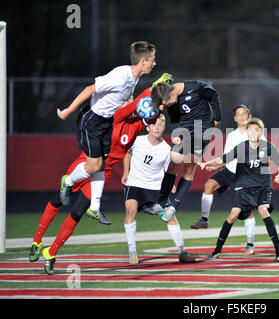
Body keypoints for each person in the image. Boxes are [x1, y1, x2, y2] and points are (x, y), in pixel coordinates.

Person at [28, 74, 174, 274]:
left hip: (101, 175)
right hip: (86, 163)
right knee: (60, 199)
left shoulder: (137, 125)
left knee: (77, 213)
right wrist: (152, 88)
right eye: (127, 99)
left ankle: (51, 253)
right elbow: (136, 105)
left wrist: (160, 97)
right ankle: (37, 240)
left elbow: (151, 115)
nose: (130, 101)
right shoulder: (117, 116)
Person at [57, 41, 157, 224]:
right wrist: (68, 111)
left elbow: (119, 98)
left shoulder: (134, 78)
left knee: (102, 164)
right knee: (94, 166)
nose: (154, 63)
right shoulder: (121, 76)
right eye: (152, 59)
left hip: (107, 122)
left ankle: (94, 207)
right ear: (143, 61)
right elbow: (90, 89)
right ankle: (68, 181)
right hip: (93, 121)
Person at [198, 118, 279, 262]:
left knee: (263, 211)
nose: (252, 132)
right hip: (244, 188)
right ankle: (216, 251)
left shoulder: (268, 147)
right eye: (250, 129)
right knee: (233, 216)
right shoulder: (241, 147)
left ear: (261, 132)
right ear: (247, 132)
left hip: (263, 187)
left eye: (256, 130)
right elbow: (222, 160)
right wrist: (208, 163)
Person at [121, 115, 195, 264]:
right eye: (153, 124)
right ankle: (132, 251)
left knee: (170, 216)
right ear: (147, 127)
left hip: (155, 188)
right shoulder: (137, 140)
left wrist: (170, 184)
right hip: (135, 184)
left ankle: (181, 251)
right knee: (131, 211)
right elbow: (127, 152)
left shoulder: (167, 149)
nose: (156, 127)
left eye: (160, 125)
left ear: (164, 128)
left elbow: (168, 170)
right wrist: (125, 172)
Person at [191, 104, 264, 255]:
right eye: (239, 114)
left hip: (244, 175)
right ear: (235, 119)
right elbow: (227, 157)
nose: (242, 117)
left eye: (245, 114)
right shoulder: (232, 136)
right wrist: (214, 166)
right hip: (229, 170)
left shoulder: (257, 134)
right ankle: (204, 219)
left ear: (250, 117)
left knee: (245, 212)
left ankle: (250, 244)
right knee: (209, 185)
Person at [150, 81, 222, 218]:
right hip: (184, 131)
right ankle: (161, 201)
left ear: (172, 94)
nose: (166, 106)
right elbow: (175, 120)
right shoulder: (171, 101)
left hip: (202, 131)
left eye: (166, 103)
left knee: (189, 167)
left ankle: (173, 207)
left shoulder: (196, 87)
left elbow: (213, 95)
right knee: (174, 161)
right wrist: (176, 133)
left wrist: (217, 117)